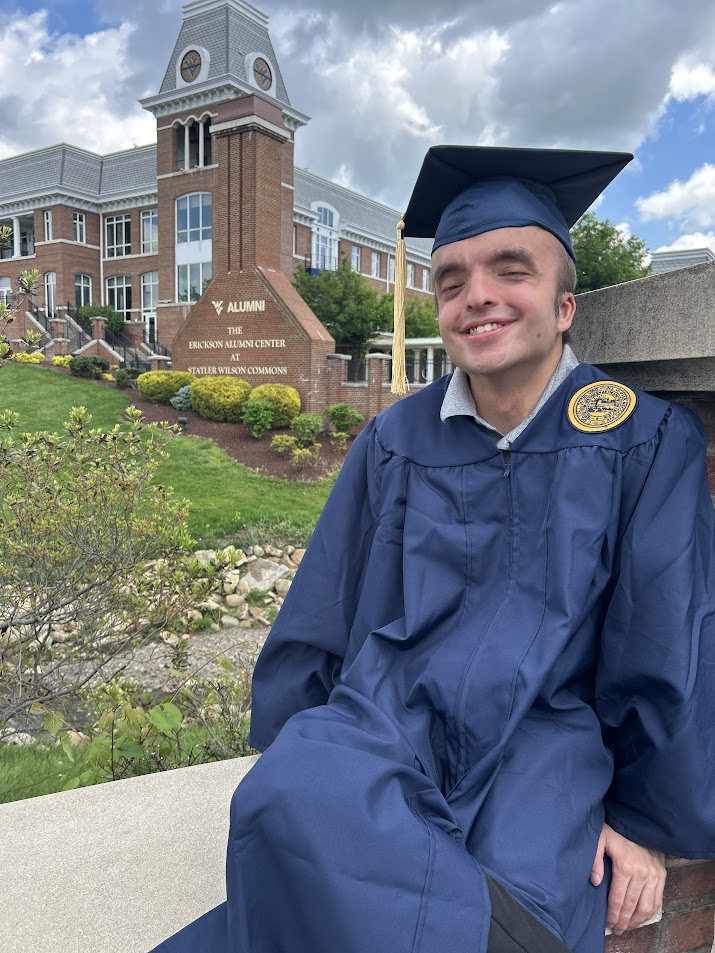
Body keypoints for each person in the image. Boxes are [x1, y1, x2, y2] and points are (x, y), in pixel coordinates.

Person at [152, 146, 715, 953]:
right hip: (388, 712)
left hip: (543, 737)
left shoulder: (640, 438)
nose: (474, 296)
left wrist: (640, 819)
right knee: (280, 798)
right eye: (450, 281)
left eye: (509, 271)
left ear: (564, 306)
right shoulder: (393, 439)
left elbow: (665, 632)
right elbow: (328, 599)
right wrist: (298, 741)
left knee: (523, 895)